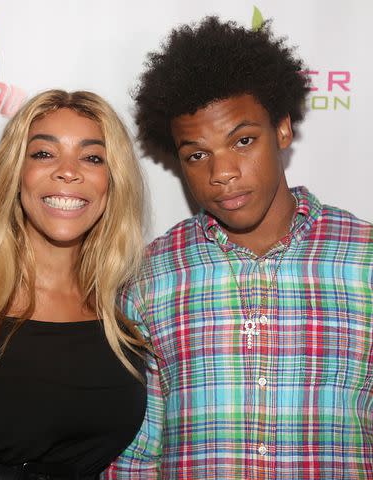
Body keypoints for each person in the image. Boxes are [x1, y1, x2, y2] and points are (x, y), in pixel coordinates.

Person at [105, 16, 373, 479]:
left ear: (283, 130)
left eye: (243, 141)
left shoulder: (364, 259)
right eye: (197, 154)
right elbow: (137, 455)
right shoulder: (149, 277)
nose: (222, 172)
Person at [0, 90, 149, 480]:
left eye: (92, 157)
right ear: (16, 171)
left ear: (112, 180)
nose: (68, 171)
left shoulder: (120, 304)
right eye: (43, 153)